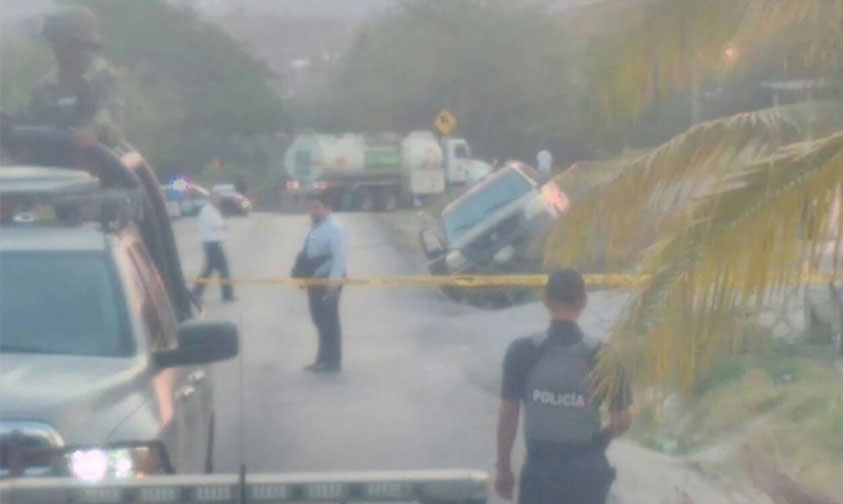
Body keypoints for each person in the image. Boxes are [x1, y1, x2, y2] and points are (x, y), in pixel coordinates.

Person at [495, 269, 632, 504]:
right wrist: (599, 441)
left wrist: (504, 468)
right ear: (584, 302)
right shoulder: (602, 354)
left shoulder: (522, 351)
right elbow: (622, 419)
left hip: (540, 471)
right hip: (587, 471)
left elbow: (508, 415)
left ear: (545, 299)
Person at [18, 6, 124, 145]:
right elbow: (27, 120)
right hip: (48, 160)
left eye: (60, 39)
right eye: (53, 40)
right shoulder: (45, 86)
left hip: (91, 163)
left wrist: (91, 131)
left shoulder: (104, 79)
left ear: (80, 44)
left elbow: (111, 124)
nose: (55, 47)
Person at [295, 195, 347, 373]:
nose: (313, 212)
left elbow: (339, 257)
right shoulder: (316, 227)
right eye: (311, 208)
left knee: (329, 321)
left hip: (328, 281)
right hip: (315, 280)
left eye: (317, 208)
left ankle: (332, 362)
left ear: (327, 208)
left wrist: (333, 283)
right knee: (318, 320)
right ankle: (322, 359)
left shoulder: (334, 228)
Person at [192, 193, 236, 303]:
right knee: (223, 269)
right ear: (212, 199)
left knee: (208, 270)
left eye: (219, 200)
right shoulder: (207, 211)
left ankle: (196, 293)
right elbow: (215, 224)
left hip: (214, 244)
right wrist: (224, 225)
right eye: (217, 199)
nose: (219, 202)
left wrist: (222, 224)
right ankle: (227, 294)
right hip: (212, 244)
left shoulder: (212, 210)